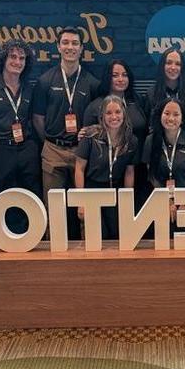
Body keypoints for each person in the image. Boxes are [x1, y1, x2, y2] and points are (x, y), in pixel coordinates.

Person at [31, 26, 99, 237]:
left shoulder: (93, 82)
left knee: (85, 207)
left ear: (81, 49)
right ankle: (54, 256)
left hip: (83, 152)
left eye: (75, 43)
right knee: (53, 207)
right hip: (53, 151)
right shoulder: (45, 81)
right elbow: (38, 118)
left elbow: (100, 119)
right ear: (58, 47)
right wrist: (52, 140)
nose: (70, 47)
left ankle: (89, 253)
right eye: (66, 43)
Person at [0, 40, 41, 232]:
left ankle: (31, 233)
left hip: (27, 147)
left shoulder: (29, 87)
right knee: (3, 193)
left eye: (22, 58)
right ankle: (6, 234)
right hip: (1, 148)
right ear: (3, 59)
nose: (18, 62)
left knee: (30, 192)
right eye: (13, 57)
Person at [74, 95, 138, 240]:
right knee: (95, 237)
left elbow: (129, 171)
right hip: (92, 191)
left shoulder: (131, 140)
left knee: (117, 237)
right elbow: (79, 168)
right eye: (108, 113)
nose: (114, 116)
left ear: (124, 114)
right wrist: (81, 201)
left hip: (115, 192)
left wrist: (127, 200)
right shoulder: (90, 136)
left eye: (117, 112)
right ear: (102, 116)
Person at [142, 99, 185, 225]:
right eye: (166, 113)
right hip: (159, 199)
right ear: (160, 115)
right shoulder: (151, 140)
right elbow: (152, 176)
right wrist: (168, 202)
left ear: (182, 118)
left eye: (176, 114)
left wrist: (184, 202)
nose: (171, 118)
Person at [82, 58, 148, 147]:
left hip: (137, 159)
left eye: (124, 75)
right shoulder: (95, 107)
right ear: (107, 78)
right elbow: (86, 141)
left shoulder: (137, 100)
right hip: (106, 159)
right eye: (115, 75)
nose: (121, 79)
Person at [143, 46, 185, 133]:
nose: (173, 67)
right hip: (160, 143)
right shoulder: (152, 93)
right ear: (162, 66)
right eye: (169, 63)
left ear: (182, 67)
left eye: (178, 64)